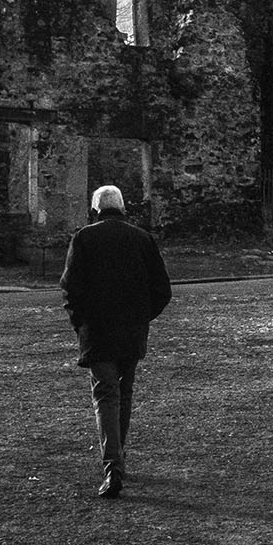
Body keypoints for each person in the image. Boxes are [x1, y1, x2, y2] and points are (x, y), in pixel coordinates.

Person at [59, 186, 173, 499]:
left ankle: (113, 467)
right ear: (122, 208)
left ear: (95, 210)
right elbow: (162, 289)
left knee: (106, 395)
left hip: (97, 331)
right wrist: (142, 318)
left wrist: (79, 322)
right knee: (123, 393)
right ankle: (118, 460)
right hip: (131, 330)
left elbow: (70, 287)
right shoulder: (142, 238)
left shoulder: (84, 238)